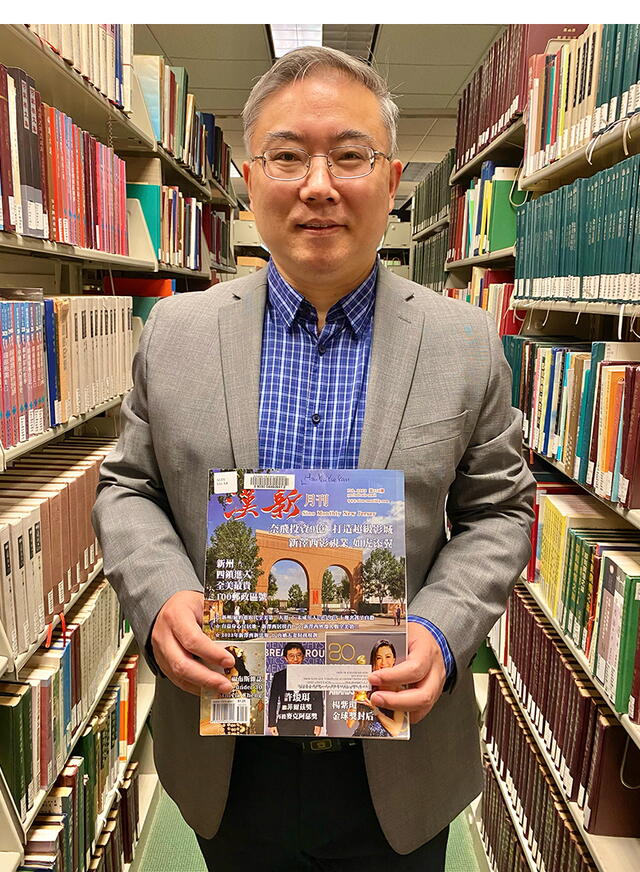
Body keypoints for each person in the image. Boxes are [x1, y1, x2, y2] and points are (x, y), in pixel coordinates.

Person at [93, 45, 535, 872]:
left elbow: (501, 513)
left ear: (392, 175)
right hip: (231, 745)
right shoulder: (178, 336)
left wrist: (441, 631)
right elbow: (129, 489)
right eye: (288, 156)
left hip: (397, 758)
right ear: (252, 178)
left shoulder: (465, 342)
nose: (319, 184)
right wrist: (162, 599)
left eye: (350, 155)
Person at [347, 640, 408, 738]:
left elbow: (395, 730)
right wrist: (354, 698)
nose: (384, 662)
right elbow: (350, 724)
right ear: (374, 661)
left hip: (382, 742)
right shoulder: (366, 686)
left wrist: (375, 710)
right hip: (360, 737)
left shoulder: (400, 691)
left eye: (388, 657)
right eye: (379, 658)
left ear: (394, 660)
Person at [267, 641, 324, 736]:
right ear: (285, 658)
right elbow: (273, 701)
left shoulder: (313, 675)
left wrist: (318, 723)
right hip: (285, 723)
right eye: (291, 656)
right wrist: (272, 724)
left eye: (298, 655)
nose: (295, 659)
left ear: (303, 656)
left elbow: (318, 701)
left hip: (308, 722)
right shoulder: (279, 676)